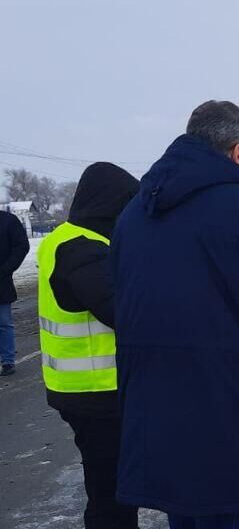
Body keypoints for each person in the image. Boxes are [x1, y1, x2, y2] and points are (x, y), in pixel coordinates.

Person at [111, 101, 239, 529]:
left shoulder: (133, 216)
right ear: (236, 151)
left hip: (157, 419)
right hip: (228, 414)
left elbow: (134, 303)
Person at [37, 162, 140, 528]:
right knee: (111, 492)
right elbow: (122, 312)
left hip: (87, 389)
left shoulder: (70, 238)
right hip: (96, 393)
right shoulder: (83, 248)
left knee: (115, 484)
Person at [0, 208, 29, 376]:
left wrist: (5, 270)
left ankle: (7, 361)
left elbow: (21, 246)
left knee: (3, 324)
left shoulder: (8, 221)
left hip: (1, 282)